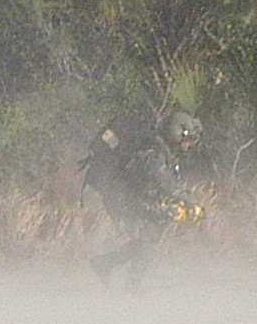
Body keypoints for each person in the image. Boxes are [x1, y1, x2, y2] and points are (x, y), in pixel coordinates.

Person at [81, 105, 209, 285]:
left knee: (150, 236)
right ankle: (129, 281)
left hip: (133, 196)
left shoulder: (166, 152)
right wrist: (184, 199)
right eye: (187, 140)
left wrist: (185, 200)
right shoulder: (154, 152)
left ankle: (106, 265)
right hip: (122, 197)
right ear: (177, 135)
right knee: (150, 236)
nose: (188, 145)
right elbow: (162, 179)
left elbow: (171, 181)